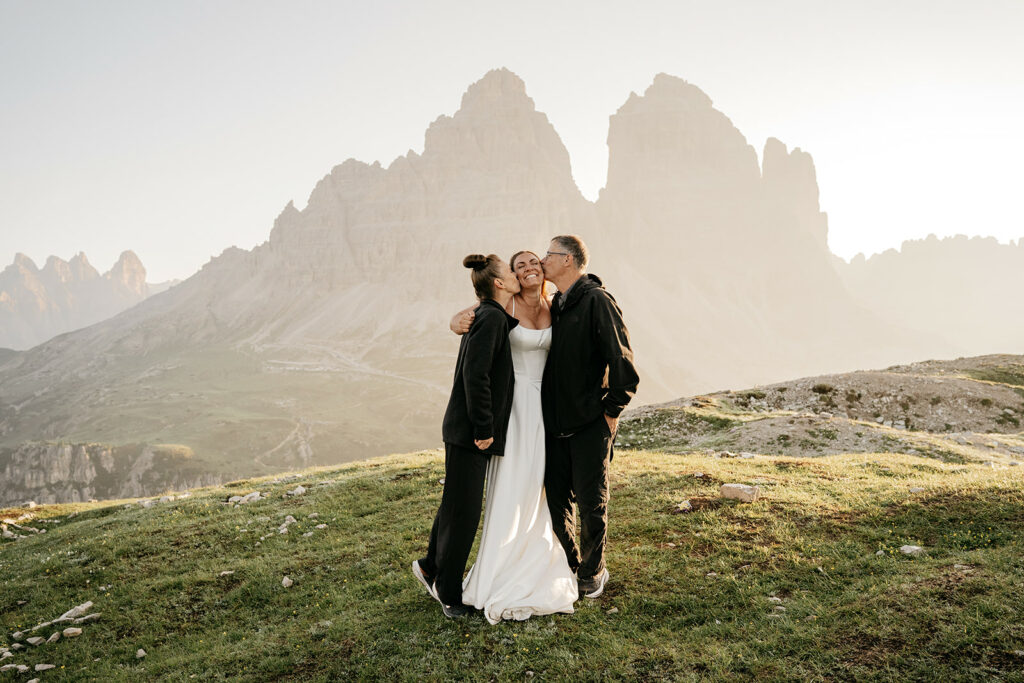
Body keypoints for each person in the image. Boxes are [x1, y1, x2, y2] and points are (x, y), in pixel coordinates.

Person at [460, 250, 578, 624]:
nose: (528, 268)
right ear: (511, 276)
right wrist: (455, 319)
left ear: (544, 269)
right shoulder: (503, 307)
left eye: (533, 262)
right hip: (515, 405)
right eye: (519, 265)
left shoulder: (556, 304)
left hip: (548, 403)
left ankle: (538, 552)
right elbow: (477, 316)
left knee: (541, 483)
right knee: (515, 480)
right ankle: (500, 568)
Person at [412, 254, 521, 618]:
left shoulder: (489, 315)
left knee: (455, 503)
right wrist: (484, 429)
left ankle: (430, 564)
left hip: (463, 429)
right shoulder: (490, 317)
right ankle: (448, 591)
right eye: (510, 271)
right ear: (500, 284)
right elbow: (476, 377)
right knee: (465, 511)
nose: (516, 274)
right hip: (468, 432)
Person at [539, 235, 638, 599]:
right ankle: (570, 563)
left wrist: (609, 415)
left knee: (592, 502)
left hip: (589, 424)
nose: (543, 259)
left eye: (548, 254)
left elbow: (623, 362)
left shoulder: (596, 300)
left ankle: (592, 574)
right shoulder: (557, 305)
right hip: (554, 426)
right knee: (556, 500)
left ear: (568, 260)